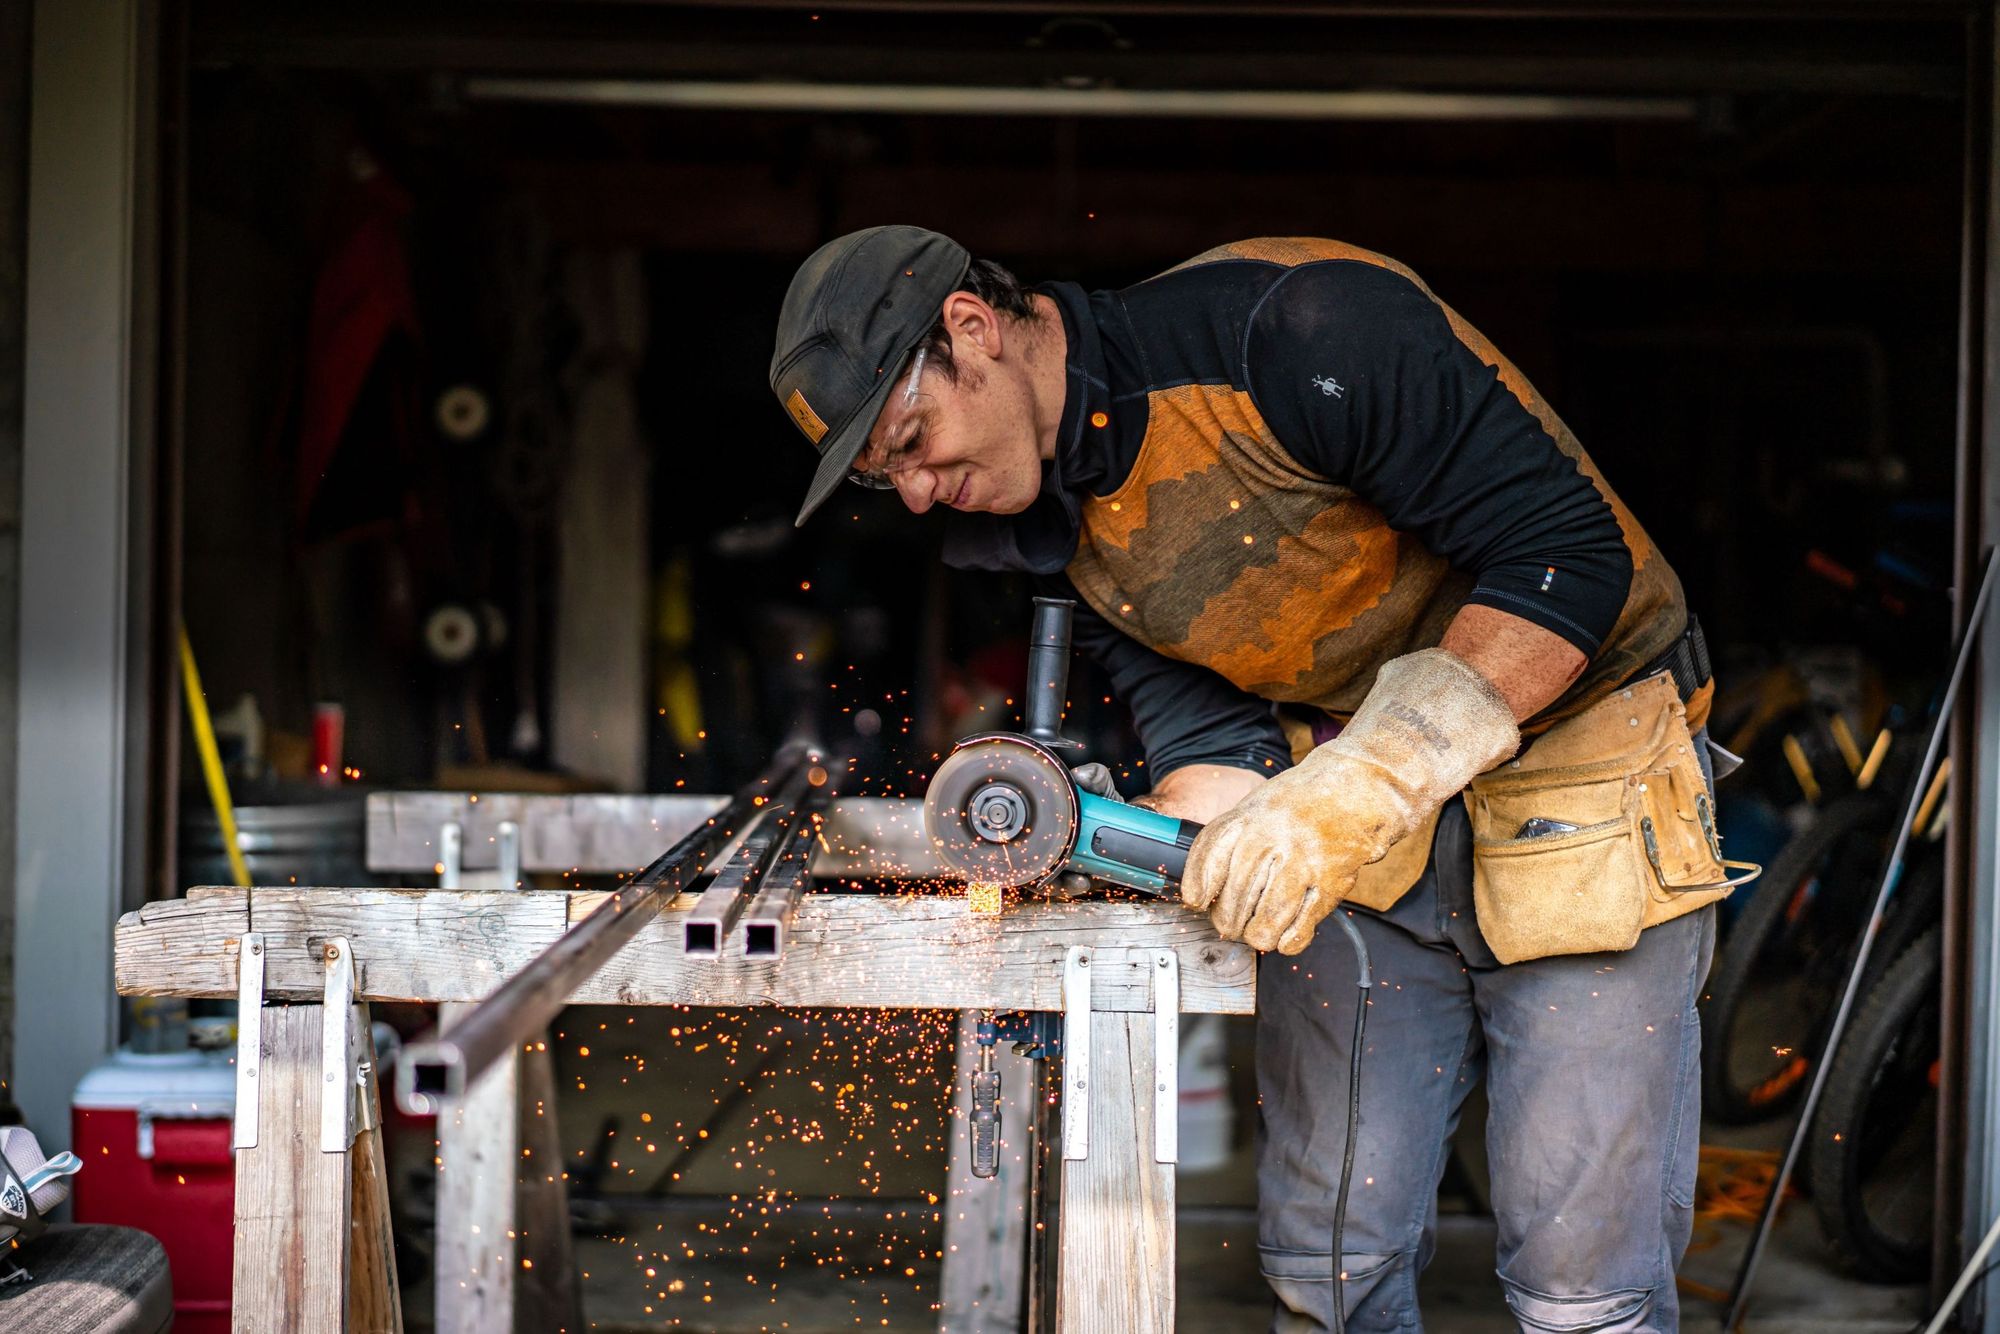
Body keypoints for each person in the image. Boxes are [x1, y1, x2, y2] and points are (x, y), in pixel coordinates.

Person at [770, 225, 1737, 1333]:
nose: (916, 493)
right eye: (883, 474)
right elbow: (1208, 729)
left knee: (1582, 1285)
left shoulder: (1292, 334)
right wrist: (1138, 835)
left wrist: (1369, 776)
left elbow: (1565, 551)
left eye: (911, 439)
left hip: (1581, 759)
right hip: (1350, 797)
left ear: (972, 330)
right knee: (1329, 1260)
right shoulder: (1047, 509)